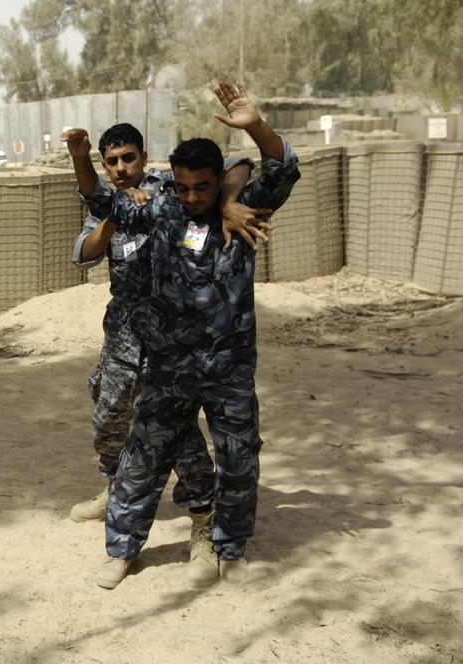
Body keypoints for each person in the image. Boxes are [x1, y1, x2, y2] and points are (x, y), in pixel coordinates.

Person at [77, 81, 300, 589]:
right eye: (183, 187)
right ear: (172, 182)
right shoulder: (163, 210)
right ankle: (123, 549)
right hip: (170, 367)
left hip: (229, 368)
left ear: (219, 181)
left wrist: (257, 127)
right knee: (143, 455)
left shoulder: (248, 205)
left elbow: (282, 167)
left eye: (203, 188)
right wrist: (79, 154)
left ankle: (230, 548)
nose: (193, 197)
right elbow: (100, 201)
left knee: (240, 459)